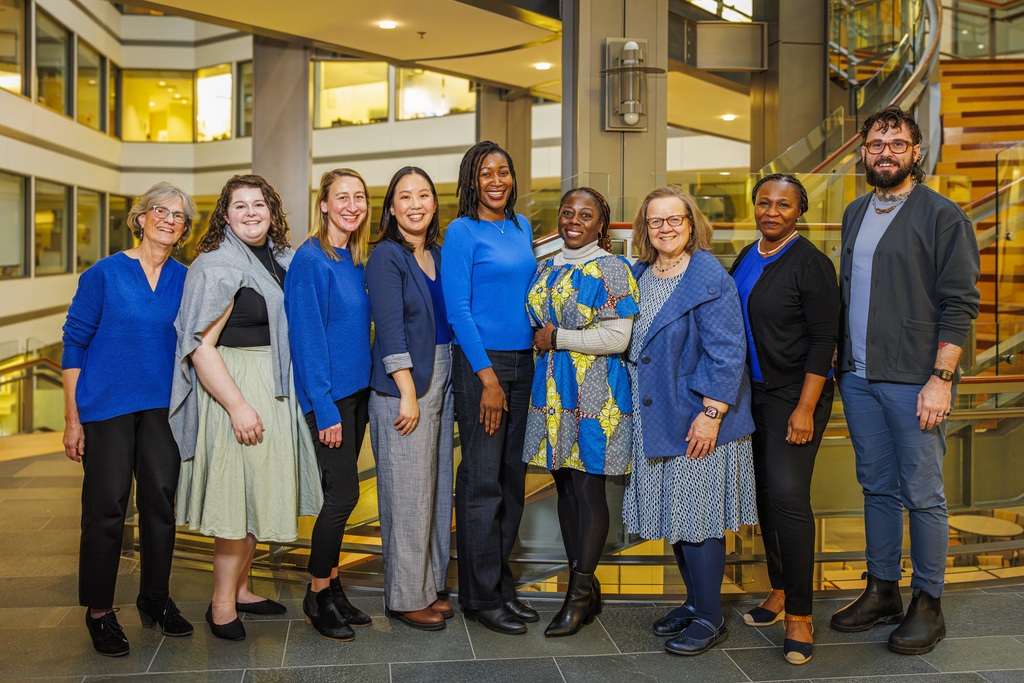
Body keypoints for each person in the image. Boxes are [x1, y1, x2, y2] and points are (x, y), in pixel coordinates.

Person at [829, 105, 980, 655]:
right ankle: (882, 589)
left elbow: (960, 304)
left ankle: (928, 602)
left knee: (923, 493)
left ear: (916, 152)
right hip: (859, 377)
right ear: (863, 153)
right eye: (876, 144)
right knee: (877, 486)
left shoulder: (943, 216)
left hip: (916, 379)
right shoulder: (855, 211)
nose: (886, 152)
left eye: (897, 144)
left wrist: (941, 378)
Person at [170, 174, 323, 641]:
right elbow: (200, 346)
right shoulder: (216, 265)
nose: (251, 213)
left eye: (259, 204)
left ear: (272, 213)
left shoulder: (281, 259)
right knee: (236, 500)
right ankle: (221, 604)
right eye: (240, 206)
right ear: (225, 215)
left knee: (256, 493)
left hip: (273, 386)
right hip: (237, 387)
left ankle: (240, 589)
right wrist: (238, 406)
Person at [62, 182, 197, 657]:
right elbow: (74, 343)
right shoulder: (103, 274)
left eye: (179, 217)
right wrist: (72, 418)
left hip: (163, 407)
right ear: (140, 217)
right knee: (107, 507)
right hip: (106, 407)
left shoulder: (186, 279)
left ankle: (154, 599)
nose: (169, 220)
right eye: (160, 210)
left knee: (160, 503)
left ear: (184, 230)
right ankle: (99, 610)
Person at [622, 185, 757, 657]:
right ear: (645, 228)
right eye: (655, 221)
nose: (665, 228)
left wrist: (711, 415)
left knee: (699, 518)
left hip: (697, 418)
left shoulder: (707, 276)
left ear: (691, 223)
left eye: (674, 219)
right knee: (678, 517)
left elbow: (728, 352)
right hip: (658, 415)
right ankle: (695, 602)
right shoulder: (641, 273)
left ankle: (711, 618)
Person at [730, 174, 839, 665]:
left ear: (800, 211)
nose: (772, 211)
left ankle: (800, 614)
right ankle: (779, 589)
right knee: (767, 498)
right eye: (764, 202)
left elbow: (823, 340)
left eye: (784, 204)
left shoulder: (812, 264)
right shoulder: (747, 255)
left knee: (790, 499)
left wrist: (805, 408)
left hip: (796, 394)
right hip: (751, 394)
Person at [523, 187, 639, 637]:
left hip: (596, 395)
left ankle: (576, 595)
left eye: (586, 214)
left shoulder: (613, 269)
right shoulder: (547, 266)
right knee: (566, 489)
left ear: (601, 224)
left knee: (589, 491)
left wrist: (559, 338)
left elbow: (617, 338)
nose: (574, 220)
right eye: (568, 212)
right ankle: (585, 589)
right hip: (553, 393)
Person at [441, 141, 537, 635]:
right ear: (471, 182)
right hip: (484, 366)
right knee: (482, 480)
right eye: (485, 173)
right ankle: (479, 597)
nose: (496, 181)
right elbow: (458, 310)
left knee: (513, 481)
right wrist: (488, 379)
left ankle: (500, 584)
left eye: (503, 171)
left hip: (525, 363)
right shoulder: (462, 231)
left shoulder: (521, 227)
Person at [283, 169, 374, 641]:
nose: (352, 206)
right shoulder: (310, 260)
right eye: (342, 197)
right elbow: (307, 338)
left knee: (341, 495)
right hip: (330, 398)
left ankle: (334, 587)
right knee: (342, 497)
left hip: (356, 393)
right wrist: (323, 405)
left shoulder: (354, 260)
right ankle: (317, 595)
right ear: (323, 204)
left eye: (359, 197)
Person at [366, 166, 455, 632]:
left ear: (435, 204)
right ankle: (404, 597)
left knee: (434, 490)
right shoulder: (386, 255)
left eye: (423, 195)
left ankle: (429, 585)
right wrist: (406, 391)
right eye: (405, 196)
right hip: (405, 384)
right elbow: (390, 327)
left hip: (442, 374)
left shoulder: (437, 254)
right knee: (407, 495)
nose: (415, 204)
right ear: (392, 207)